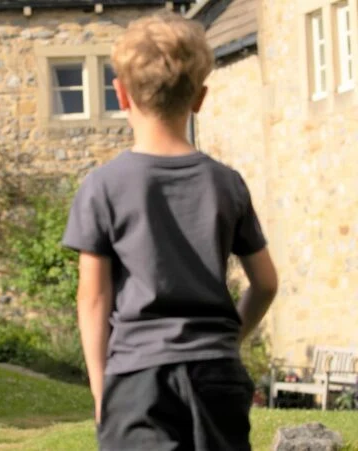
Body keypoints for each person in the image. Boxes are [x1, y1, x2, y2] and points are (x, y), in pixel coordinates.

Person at [62, 12, 279, 451]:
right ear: (200, 97)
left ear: (120, 94)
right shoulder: (227, 183)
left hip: (138, 377)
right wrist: (228, 339)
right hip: (217, 374)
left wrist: (103, 390)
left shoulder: (103, 186)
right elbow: (266, 283)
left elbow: (93, 297)